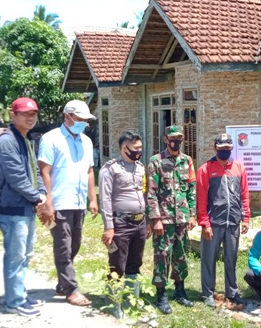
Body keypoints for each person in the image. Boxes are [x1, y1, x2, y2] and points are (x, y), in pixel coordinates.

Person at [38, 100, 97, 307]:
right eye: (80, 119)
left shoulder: (86, 141)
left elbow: (90, 171)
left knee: (75, 244)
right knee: (63, 245)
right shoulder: (50, 139)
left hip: (79, 201)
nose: (83, 123)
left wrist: (93, 199)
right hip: (60, 201)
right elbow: (44, 171)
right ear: (67, 116)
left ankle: (63, 283)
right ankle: (71, 289)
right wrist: (48, 202)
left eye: (85, 120)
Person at [0, 97, 47, 317]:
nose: (30, 117)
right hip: (12, 209)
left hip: (25, 208)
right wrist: (37, 197)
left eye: (33, 113)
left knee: (25, 254)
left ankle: (20, 293)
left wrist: (41, 192)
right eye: (25, 113)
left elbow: (34, 170)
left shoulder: (25, 138)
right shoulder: (7, 141)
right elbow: (16, 178)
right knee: (15, 256)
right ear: (13, 115)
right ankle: (14, 301)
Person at [146, 125, 197, 314]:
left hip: (182, 217)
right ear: (165, 139)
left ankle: (180, 291)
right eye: (173, 138)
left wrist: (192, 214)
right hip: (164, 219)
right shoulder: (156, 161)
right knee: (162, 255)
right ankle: (161, 294)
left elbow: (191, 188)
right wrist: (155, 219)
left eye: (179, 138)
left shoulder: (187, 161)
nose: (176, 142)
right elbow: (151, 193)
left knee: (181, 254)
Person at [197, 133, 251, 307]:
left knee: (231, 258)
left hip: (233, 222)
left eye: (228, 149)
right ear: (215, 149)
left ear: (232, 149)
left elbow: (244, 194)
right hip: (214, 223)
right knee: (208, 259)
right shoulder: (205, 169)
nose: (225, 152)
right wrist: (204, 223)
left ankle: (232, 292)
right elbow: (201, 199)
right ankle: (207, 293)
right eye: (221, 149)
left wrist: (246, 218)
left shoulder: (239, 168)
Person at [100, 131, 147, 297]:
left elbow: (144, 193)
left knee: (135, 263)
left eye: (140, 147)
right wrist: (109, 227)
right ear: (124, 148)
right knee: (117, 264)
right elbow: (105, 199)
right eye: (136, 148)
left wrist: (146, 221)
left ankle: (131, 299)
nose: (139, 151)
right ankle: (114, 302)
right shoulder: (111, 169)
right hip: (121, 223)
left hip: (140, 222)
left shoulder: (141, 167)